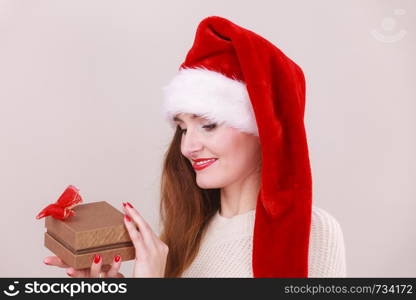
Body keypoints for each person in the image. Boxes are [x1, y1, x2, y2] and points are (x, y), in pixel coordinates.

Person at [44, 16, 346, 278]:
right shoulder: (185, 238)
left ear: (262, 130)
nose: (187, 147)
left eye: (209, 124)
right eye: (182, 128)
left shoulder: (312, 232)